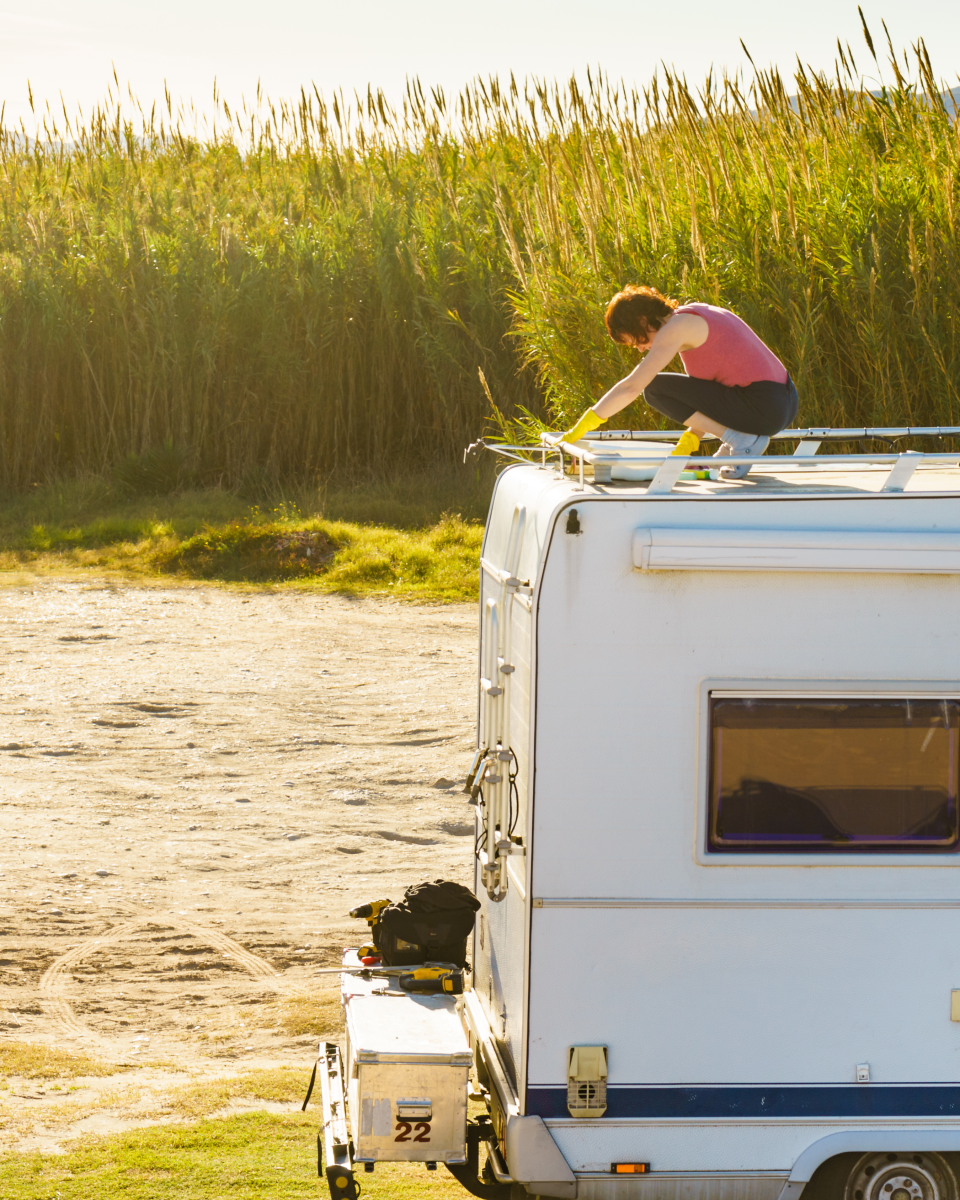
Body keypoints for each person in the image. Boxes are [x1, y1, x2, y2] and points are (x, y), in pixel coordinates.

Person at [554, 286, 799, 480]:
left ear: (642, 321)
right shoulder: (693, 316)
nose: (640, 348)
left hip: (765, 405)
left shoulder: (675, 329)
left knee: (654, 388)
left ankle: (742, 440)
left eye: (635, 341)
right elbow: (707, 403)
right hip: (782, 402)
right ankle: (739, 438)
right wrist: (686, 445)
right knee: (661, 387)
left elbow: (632, 387)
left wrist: (582, 427)